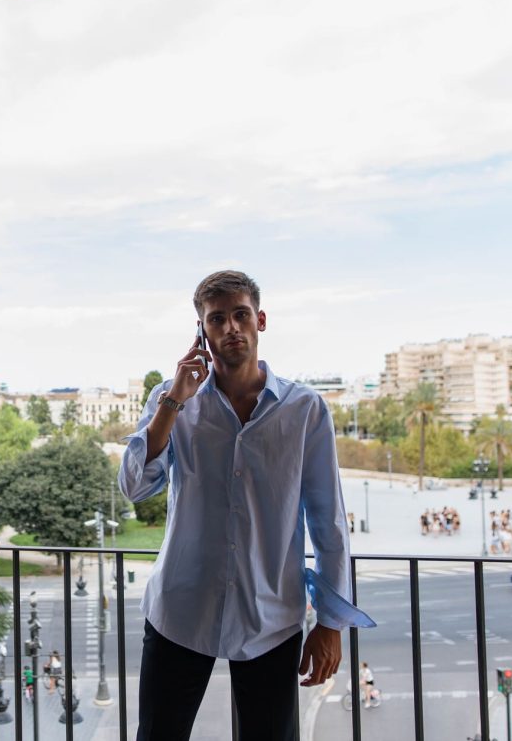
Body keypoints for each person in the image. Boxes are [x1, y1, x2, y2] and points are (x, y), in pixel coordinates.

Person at [118, 271, 373, 741]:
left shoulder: (305, 409)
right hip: (181, 608)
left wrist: (331, 622)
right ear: (202, 331)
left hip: (270, 616)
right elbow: (136, 486)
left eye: (239, 315)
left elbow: (328, 521)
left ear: (260, 320)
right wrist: (174, 400)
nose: (231, 327)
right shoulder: (172, 402)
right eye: (217, 319)